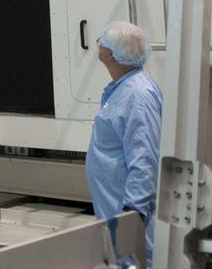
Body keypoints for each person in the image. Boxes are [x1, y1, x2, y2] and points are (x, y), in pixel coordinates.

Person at [85, 21, 163, 264]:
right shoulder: (123, 89)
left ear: (109, 54)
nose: (98, 45)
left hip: (130, 216)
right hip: (116, 211)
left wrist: (132, 215)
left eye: (101, 42)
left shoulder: (137, 95)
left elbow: (145, 158)